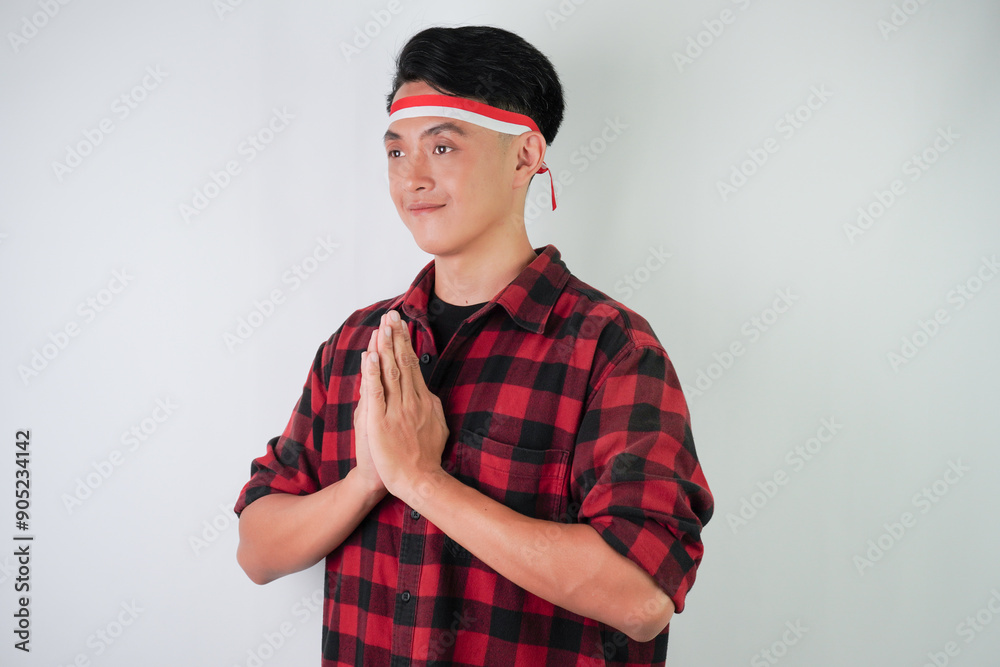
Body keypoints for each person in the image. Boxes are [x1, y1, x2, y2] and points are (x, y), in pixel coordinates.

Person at [234, 25, 713, 666]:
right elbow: (257, 549)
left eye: (442, 146)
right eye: (397, 152)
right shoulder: (359, 344)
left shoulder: (611, 349)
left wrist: (423, 481)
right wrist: (369, 481)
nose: (413, 179)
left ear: (523, 158)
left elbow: (642, 597)